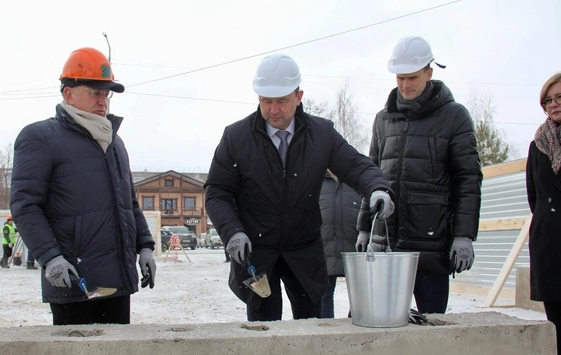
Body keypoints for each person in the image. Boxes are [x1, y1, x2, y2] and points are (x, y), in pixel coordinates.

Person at [204, 53, 393, 322]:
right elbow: (217, 192)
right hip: (256, 255)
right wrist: (232, 231)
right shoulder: (237, 138)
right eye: (266, 101)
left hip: (303, 253)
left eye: (281, 101)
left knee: (310, 332)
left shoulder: (321, 134)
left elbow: (354, 165)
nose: (273, 110)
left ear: (299, 96)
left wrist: (377, 188)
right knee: (264, 334)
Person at [10, 47, 156, 326]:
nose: (102, 101)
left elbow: (129, 204)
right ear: (68, 94)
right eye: (94, 92)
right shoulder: (40, 137)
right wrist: (50, 257)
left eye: (105, 94)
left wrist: (145, 245)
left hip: (117, 279)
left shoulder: (114, 142)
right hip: (74, 276)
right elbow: (25, 206)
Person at [356, 36, 482, 314]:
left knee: (431, 329)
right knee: (374, 322)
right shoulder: (383, 119)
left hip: (430, 246)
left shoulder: (454, 117)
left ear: (429, 72)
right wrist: (365, 226)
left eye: (412, 77)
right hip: (386, 244)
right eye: (400, 78)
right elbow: (371, 174)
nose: (405, 85)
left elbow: (468, 180)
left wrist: (464, 235)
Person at [526, 72, 561, 355]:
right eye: (548, 100)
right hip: (552, 246)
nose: (553, 105)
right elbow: (534, 198)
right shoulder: (539, 144)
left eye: (559, 98)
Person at [319, 171, 361, 318]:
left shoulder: (356, 180)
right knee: (324, 294)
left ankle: (358, 331)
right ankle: (325, 332)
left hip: (354, 248)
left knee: (360, 295)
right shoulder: (316, 179)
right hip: (325, 248)